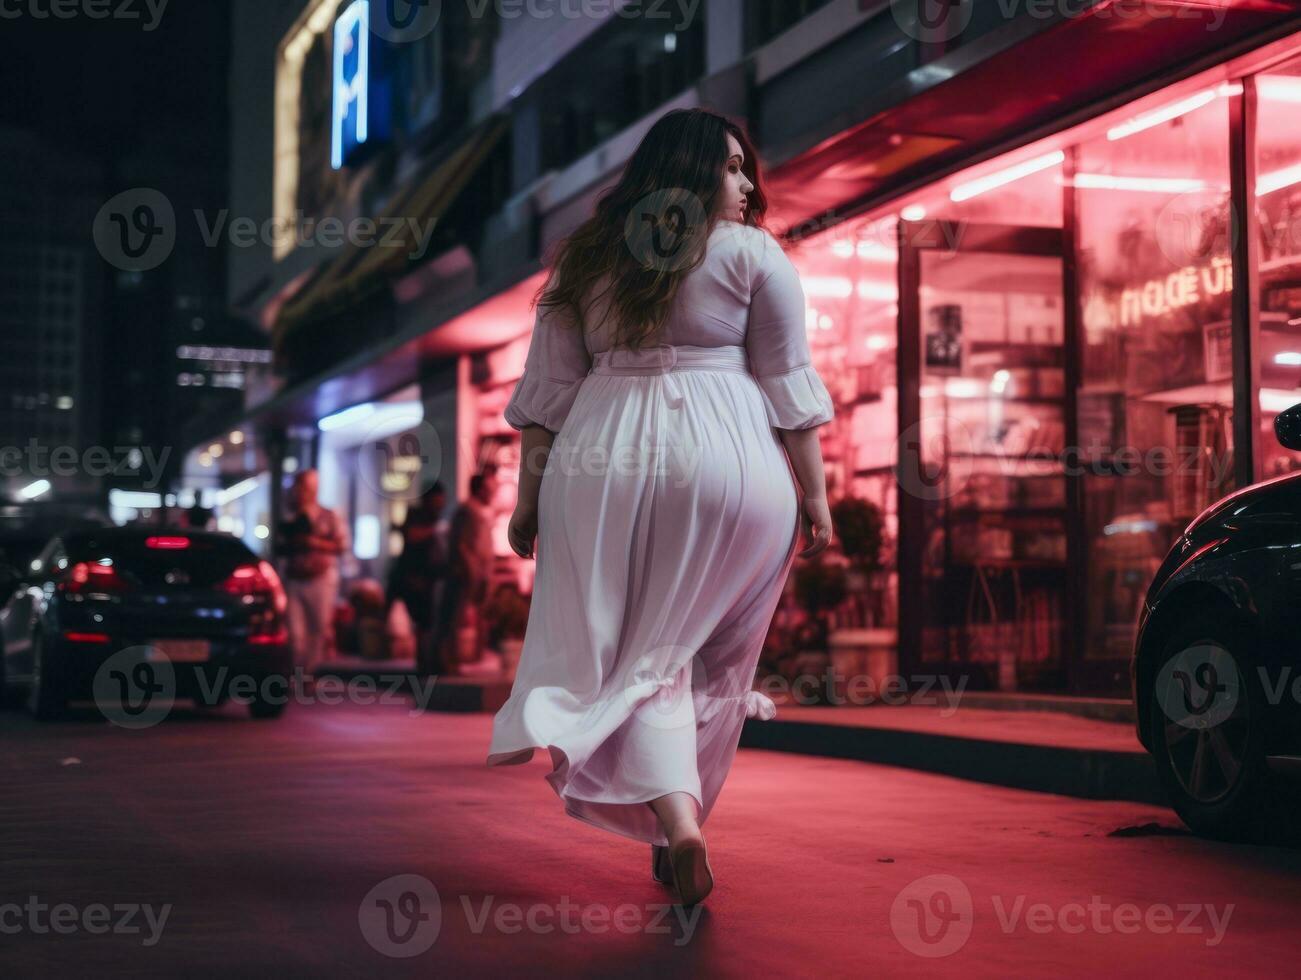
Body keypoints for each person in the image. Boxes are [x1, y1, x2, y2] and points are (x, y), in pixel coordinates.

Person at [484, 108, 834, 907]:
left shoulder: (586, 258)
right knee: (703, 661)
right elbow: (787, 386)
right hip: (731, 457)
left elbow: (546, 398)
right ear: (691, 171)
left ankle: (677, 827)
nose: (747, 187)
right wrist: (815, 494)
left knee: (639, 655)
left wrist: (527, 499)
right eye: (733, 168)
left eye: (747, 170)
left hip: (599, 459)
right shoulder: (751, 254)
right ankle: (681, 823)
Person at [276, 469, 350, 679]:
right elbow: (279, 546)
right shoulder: (289, 516)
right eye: (298, 487)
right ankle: (298, 670)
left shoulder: (329, 516)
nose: (301, 493)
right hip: (295, 578)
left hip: (320, 578)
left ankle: (310, 671)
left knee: (318, 627)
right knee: (295, 631)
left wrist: (314, 542)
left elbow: (341, 545)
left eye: (306, 488)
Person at [436, 468, 499, 674]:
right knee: (454, 619)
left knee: (470, 618)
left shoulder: (480, 511)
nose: (494, 492)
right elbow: (461, 545)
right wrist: (471, 571)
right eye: (490, 488)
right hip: (464, 574)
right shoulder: (467, 511)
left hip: (478, 573)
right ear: (480, 489)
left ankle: (465, 661)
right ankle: (448, 664)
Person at [387, 482, 449, 675]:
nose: (441, 503)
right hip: (414, 578)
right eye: (438, 498)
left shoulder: (435, 518)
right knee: (424, 623)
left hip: (431, 577)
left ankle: (428, 664)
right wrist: (435, 530)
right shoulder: (417, 514)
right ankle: (424, 666)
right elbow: (412, 536)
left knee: (428, 623)